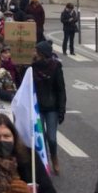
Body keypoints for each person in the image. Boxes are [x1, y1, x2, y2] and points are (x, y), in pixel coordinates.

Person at [32, 40, 66, 175]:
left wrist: (62, 109)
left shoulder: (56, 67)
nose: (34, 53)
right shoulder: (32, 67)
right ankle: (44, 161)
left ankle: (54, 157)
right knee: (41, 136)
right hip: (38, 108)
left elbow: (61, 89)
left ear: (42, 54)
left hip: (52, 108)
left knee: (52, 137)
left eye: (36, 51)